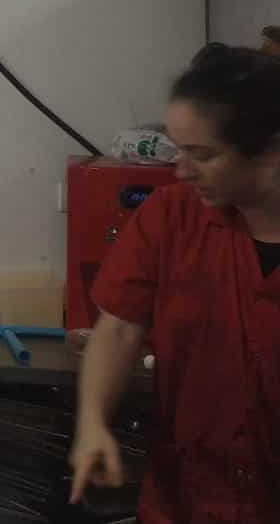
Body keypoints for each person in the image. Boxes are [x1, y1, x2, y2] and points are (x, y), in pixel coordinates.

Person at [69, 43, 279, 521]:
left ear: (270, 150)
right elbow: (118, 328)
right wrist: (92, 422)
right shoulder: (171, 217)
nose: (181, 170)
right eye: (179, 149)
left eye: (202, 154)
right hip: (184, 503)